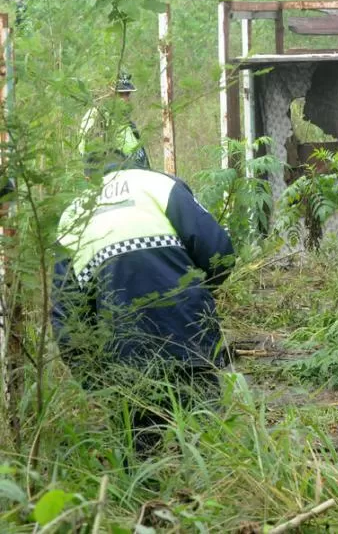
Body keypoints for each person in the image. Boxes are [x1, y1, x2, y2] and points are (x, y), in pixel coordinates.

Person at [51, 146, 234, 455]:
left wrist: (93, 377)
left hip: (122, 352)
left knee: (140, 452)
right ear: (137, 164)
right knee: (206, 438)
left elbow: (67, 314)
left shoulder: (73, 214)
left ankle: (145, 497)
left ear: (88, 177)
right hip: (188, 333)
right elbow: (220, 253)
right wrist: (200, 296)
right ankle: (218, 492)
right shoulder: (160, 185)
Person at [79, 72, 151, 169]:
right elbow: (93, 159)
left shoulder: (121, 117)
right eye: (120, 94)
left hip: (137, 173)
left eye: (127, 94)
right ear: (106, 93)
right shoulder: (98, 117)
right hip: (118, 178)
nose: (126, 99)